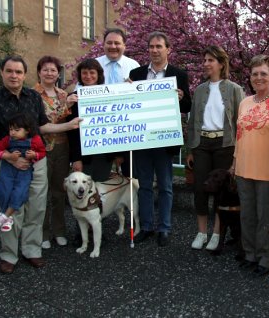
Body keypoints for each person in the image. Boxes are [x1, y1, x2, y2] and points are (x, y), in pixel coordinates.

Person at [0, 55, 81, 274]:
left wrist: (69, 125)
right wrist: (9, 157)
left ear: (24, 74)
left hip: (36, 160)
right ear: (2, 73)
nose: (14, 75)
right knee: (12, 207)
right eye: (9, 71)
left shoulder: (33, 97)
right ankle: (8, 254)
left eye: (18, 72)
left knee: (36, 207)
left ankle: (32, 250)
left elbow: (43, 127)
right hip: (9, 163)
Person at [130, 31, 191, 247]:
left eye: (159, 46)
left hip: (165, 139)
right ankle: (146, 226)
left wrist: (182, 98)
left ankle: (164, 228)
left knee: (165, 186)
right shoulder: (136, 74)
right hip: (142, 139)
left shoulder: (179, 74)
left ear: (168, 49)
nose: (155, 50)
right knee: (144, 185)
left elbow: (187, 107)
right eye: (151, 46)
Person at [232, 55, 269, 276]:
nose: (259, 77)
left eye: (264, 73)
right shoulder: (245, 102)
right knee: (247, 213)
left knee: (266, 214)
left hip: (267, 167)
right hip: (244, 166)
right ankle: (250, 253)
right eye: (255, 73)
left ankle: (267, 256)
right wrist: (235, 161)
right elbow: (239, 134)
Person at [186, 46, 244, 251]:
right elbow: (193, 121)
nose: (206, 64)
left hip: (225, 145)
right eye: (204, 60)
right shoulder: (200, 89)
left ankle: (217, 234)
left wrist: (238, 152)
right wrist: (190, 150)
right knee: (200, 189)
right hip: (202, 144)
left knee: (222, 191)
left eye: (210, 60)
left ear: (221, 63)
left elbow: (241, 122)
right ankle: (201, 232)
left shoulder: (235, 89)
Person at [33, 56, 72, 249]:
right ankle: (42, 233)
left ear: (58, 73)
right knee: (42, 193)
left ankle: (59, 230)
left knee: (59, 192)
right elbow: (40, 123)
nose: (49, 73)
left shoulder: (63, 94)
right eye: (45, 69)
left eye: (53, 70)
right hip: (41, 148)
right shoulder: (32, 95)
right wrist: (66, 110)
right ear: (39, 72)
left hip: (62, 147)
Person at [0, 113, 46, 232]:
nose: (12, 133)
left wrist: (34, 155)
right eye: (10, 129)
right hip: (7, 169)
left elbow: (42, 152)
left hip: (24, 172)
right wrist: (8, 156)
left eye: (16, 130)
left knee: (20, 192)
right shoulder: (7, 139)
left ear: (27, 130)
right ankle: (7, 217)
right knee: (3, 189)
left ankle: (4, 216)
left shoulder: (35, 139)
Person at [96, 28, 140, 176]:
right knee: (100, 177)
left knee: (130, 178)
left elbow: (143, 97)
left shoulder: (134, 66)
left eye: (117, 43)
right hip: (100, 130)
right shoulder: (94, 65)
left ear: (124, 46)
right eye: (109, 43)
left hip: (127, 130)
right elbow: (81, 92)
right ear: (103, 45)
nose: (113, 46)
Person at [66, 58, 118, 181]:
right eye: (84, 73)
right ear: (80, 75)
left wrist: (118, 154)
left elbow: (116, 124)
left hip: (105, 154)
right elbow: (72, 133)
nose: (88, 76)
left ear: (98, 74)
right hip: (83, 156)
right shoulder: (73, 99)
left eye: (92, 72)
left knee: (101, 192)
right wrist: (76, 158)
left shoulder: (111, 95)